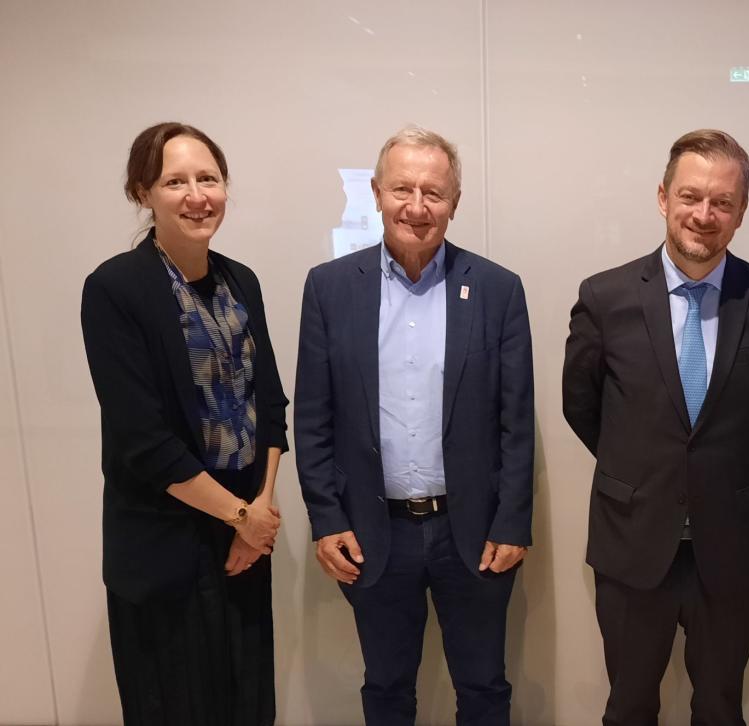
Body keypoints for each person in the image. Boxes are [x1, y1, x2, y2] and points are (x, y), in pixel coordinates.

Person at [563, 129, 749, 725]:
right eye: (691, 197)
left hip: (729, 544)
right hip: (632, 541)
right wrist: (648, 469)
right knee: (627, 708)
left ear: (741, 211)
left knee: (722, 708)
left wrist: (716, 475)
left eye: (722, 202)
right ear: (663, 197)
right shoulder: (605, 297)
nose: (704, 215)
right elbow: (583, 406)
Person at [294, 126, 534, 726]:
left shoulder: (498, 290)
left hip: (473, 529)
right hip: (376, 533)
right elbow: (313, 416)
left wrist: (511, 521)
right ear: (376, 193)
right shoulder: (328, 289)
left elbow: (517, 421)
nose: (418, 207)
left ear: (455, 202)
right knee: (386, 687)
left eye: (434, 192)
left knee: (483, 686)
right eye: (403, 189)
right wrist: (327, 519)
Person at [81, 122, 289, 726]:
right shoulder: (115, 289)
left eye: (209, 178)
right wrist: (243, 516)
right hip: (166, 547)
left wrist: (261, 510)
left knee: (247, 704)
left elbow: (272, 404)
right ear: (143, 192)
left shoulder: (239, 280)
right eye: (176, 181)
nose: (197, 195)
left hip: (241, 543)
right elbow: (143, 440)